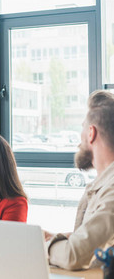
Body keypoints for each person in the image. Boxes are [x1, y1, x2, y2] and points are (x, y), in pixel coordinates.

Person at [45, 90, 114, 270]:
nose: (78, 142)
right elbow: (92, 244)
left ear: (91, 133)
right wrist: (58, 239)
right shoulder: (103, 184)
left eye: (82, 128)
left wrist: (44, 246)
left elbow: (73, 255)